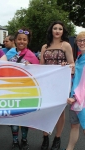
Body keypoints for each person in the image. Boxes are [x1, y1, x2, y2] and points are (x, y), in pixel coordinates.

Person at [40, 21, 74, 150]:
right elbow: (41, 66)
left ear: (63, 31)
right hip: (47, 83)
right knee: (46, 111)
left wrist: (67, 65)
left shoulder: (66, 45)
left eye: (60, 28)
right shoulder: (44, 47)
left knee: (60, 112)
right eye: (55, 28)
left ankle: (57, 138)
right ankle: (45, 137)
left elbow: (72, 64)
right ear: (51, 30)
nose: (57, 30)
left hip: (61, 83)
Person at [6, 28, 39, 150]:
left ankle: (24, 140)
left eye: (24, 39)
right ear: (15, 40)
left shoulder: (31, 55)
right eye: (19, 39)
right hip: (11, 90)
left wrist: (31, 67)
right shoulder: (8, 54)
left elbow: (39, 72)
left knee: (25, 117)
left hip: (26, 91)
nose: (22, 41)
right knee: (14, 116)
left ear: (28, 41)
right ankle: (15, 141)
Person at [63, 31, 85, 150]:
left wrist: (75, 97)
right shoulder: (79, 58)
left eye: (84, 40)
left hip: (80, 99)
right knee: (74, 126)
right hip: (75, 98)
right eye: (79, 40)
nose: (81, 43)